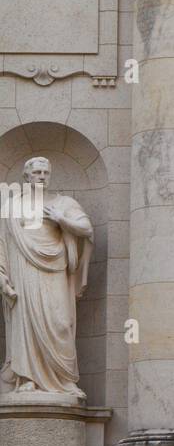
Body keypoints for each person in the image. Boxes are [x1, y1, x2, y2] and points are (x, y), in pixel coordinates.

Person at [0, 156, 93, 399]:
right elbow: (3, 244)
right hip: (23, 272)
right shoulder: (12, 207)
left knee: (61, 323)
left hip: (55, 269)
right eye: (37, 172)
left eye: (45, 172)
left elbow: (87, 229)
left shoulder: (63, 203)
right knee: (26, 323)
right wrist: (2, 276)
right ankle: (27, 378)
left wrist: (61, 220)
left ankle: (64, 380)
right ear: (26, 177)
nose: (42, 176)